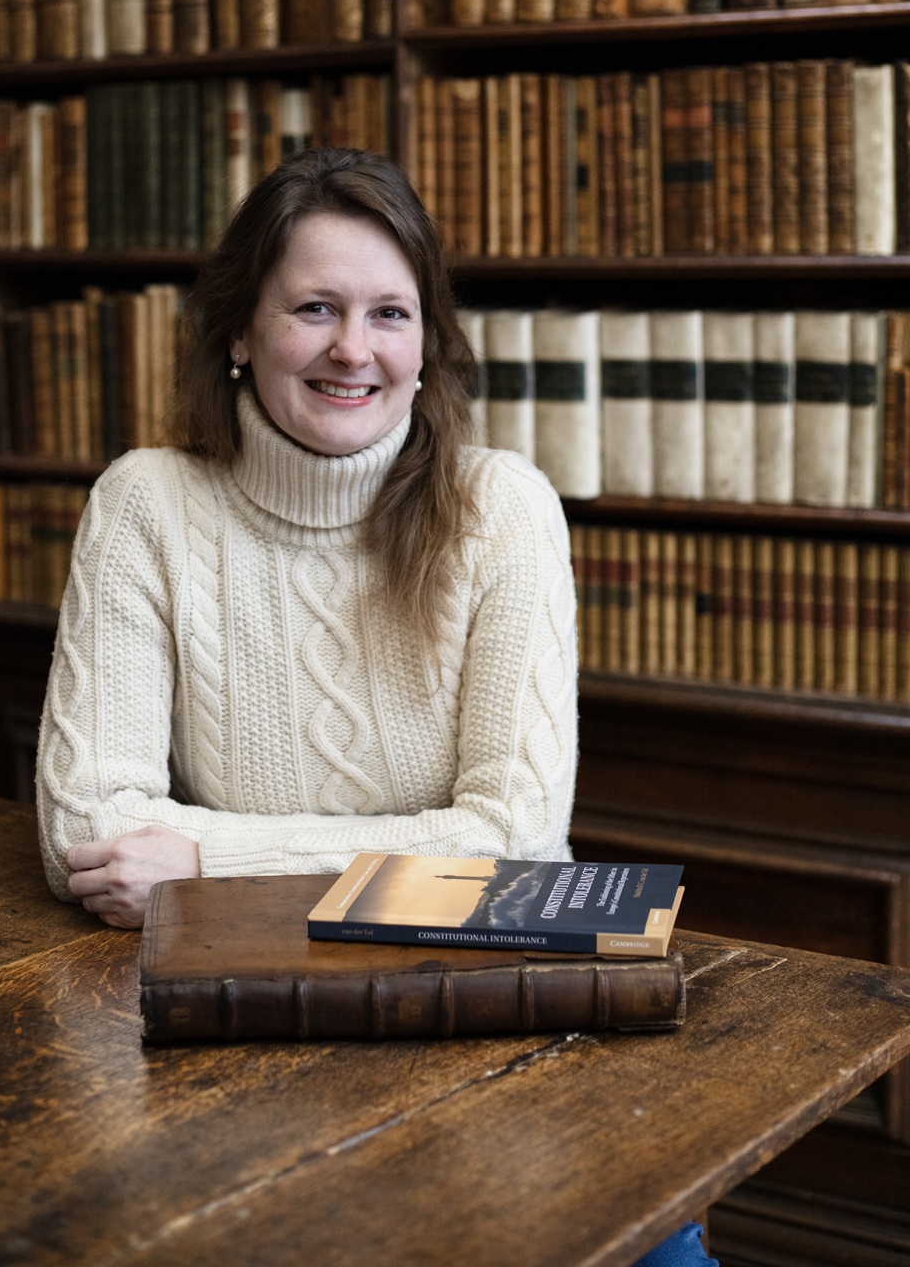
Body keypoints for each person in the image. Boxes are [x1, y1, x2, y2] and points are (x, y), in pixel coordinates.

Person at [35, 147, 715, 1267]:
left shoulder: (502, 512)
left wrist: (199, 863)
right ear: (240, 335)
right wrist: (414, 860)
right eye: (313, 308)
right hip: (244, 1035)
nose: (354, 349)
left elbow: (517, 843)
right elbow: (87, 838)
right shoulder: (145, 504)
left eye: (388, 313)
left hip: (495, 1020)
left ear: (424, 345)